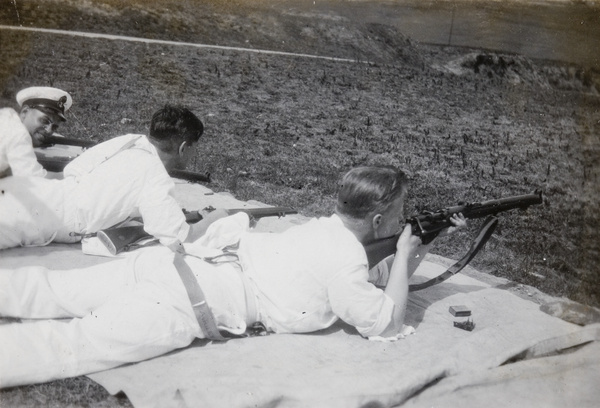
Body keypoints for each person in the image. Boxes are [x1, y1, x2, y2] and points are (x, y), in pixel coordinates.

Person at [0, 166, 466, 388]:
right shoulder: (346, 263)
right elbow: (384, 320)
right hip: (185, 305)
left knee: (47, 288)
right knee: (67, 347)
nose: (405, 224)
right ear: (381, 220)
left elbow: (369, 273)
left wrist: (414, 249)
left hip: (172, 266)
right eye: (401, 216)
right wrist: (406, 254)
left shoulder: (320, 228)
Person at [0, 104, 219, 252]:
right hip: (45, 217)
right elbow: (179, 238)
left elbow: (73, 170)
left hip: (40, 194)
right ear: (183, 148)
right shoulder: (155, 175)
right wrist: (215, 218)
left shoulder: (130, 140)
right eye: (194, 148)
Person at [0, 86, 73, 178]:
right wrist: (72, 175)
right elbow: (34, 179)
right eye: (44, 121)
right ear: (24, 112)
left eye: (54, 127)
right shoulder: (19, 133)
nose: (49, 130)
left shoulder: (7, 118)